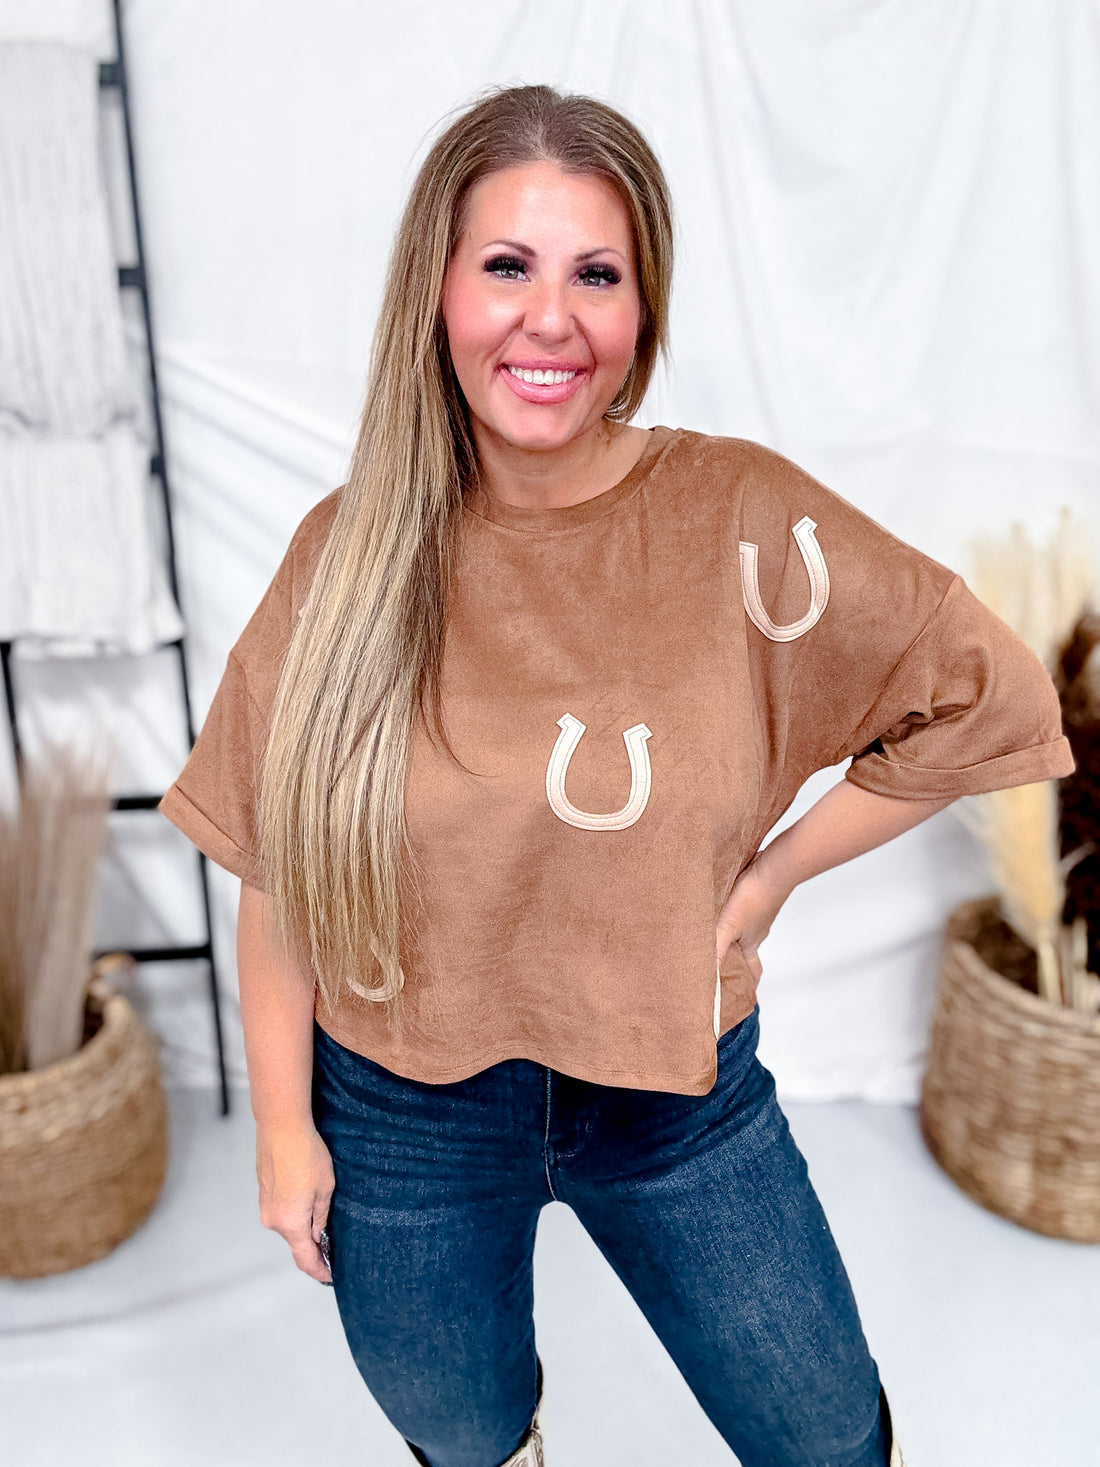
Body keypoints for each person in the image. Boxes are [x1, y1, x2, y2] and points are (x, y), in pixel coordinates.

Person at [159, 84, 1074, 1467]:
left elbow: (979, 693)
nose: (551, 319)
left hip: (672, 1086)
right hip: (404, 1109)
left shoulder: (742, 520)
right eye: (506, 266)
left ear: (645, 310)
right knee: (464, 1436)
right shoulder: (345, 556)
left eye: (598, 274)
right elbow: (279, 869)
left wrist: (766, 883)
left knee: (826, 1438)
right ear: (436, 294)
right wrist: (284, 1129)